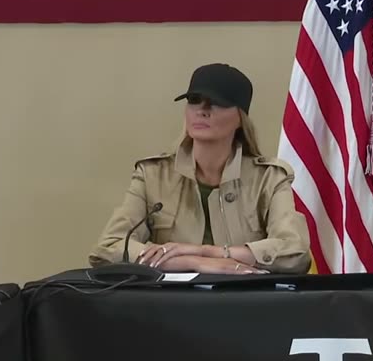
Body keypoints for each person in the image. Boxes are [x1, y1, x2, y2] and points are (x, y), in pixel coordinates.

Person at [88, 63, 312, 275]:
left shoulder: (269, 178)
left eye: (217, 102)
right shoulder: (153, 175)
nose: (202, 111)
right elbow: (108, 248)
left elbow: (295, 253)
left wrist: (209, 252)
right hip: (170, 299)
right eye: (195, 100)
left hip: (244, 298)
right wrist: (194, 263)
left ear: (240, 118)